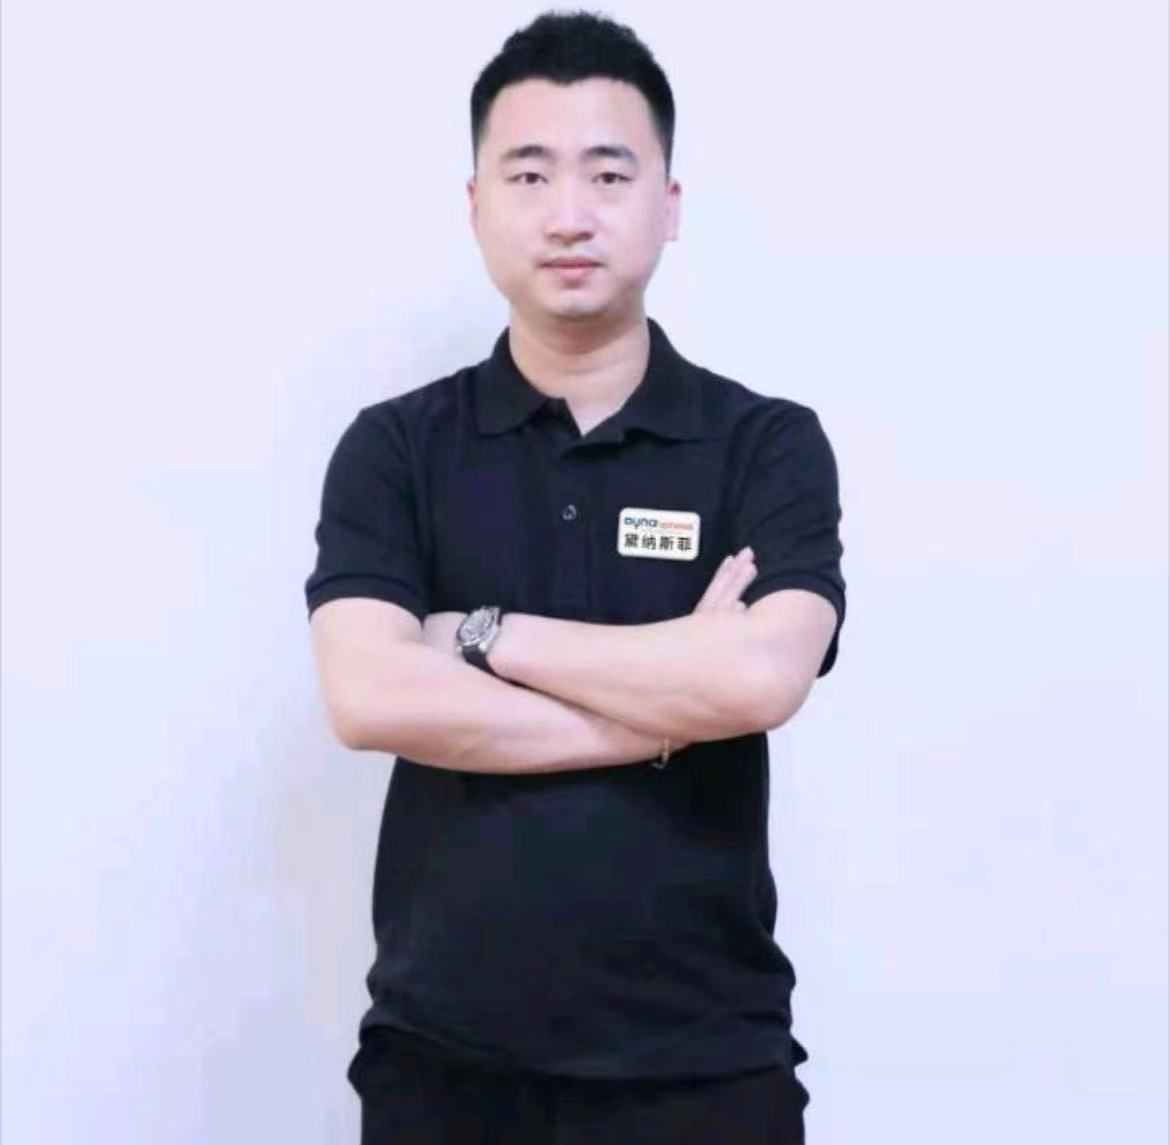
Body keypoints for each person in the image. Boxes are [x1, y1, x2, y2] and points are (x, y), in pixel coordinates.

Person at [304, 10, 847, 1142]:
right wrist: (666, 707)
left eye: (608, 173)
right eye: (529, 174)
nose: (568, 213)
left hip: (710, 1066)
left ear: (669, 203)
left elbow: (760, 680)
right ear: (476, 206)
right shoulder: (396, 446)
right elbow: (369, 696)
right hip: (443, 1067)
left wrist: (481, 634)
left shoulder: (766, 444)